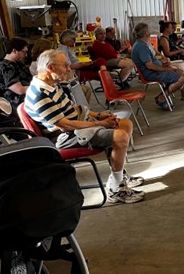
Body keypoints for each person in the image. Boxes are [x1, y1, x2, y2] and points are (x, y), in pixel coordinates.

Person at [24, 49, 144, 204]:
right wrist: (100, 123)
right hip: (64, 137)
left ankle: (118, 176)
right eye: (65, 66)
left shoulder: (52, 84)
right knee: (120, 136)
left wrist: (100, 116)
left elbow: (74, 108)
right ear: (51, 68)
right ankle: (116, 190)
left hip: (77, 127)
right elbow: (65, 125)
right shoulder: (40, 94)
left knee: (125, 123)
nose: (69, 69)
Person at [130, 22, 184, 108]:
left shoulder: (143, 43)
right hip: (151, 73)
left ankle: (167, 94)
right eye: (148, 30)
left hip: (155, 71)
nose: (149, 31)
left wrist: (165, 64)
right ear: (146, 33)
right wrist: (166, 69)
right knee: (182, 77)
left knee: (181, 72)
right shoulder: (141, 47)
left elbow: (154, 57)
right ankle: (162, 98)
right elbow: (150, 66)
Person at [0, 37, 32, 110]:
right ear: (14, 51)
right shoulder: (6, 67)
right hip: (16, 99)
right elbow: (20, 90)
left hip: (27, 92)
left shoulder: (18, 63)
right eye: (24, 52)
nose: (26, 55)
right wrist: (38, 87)